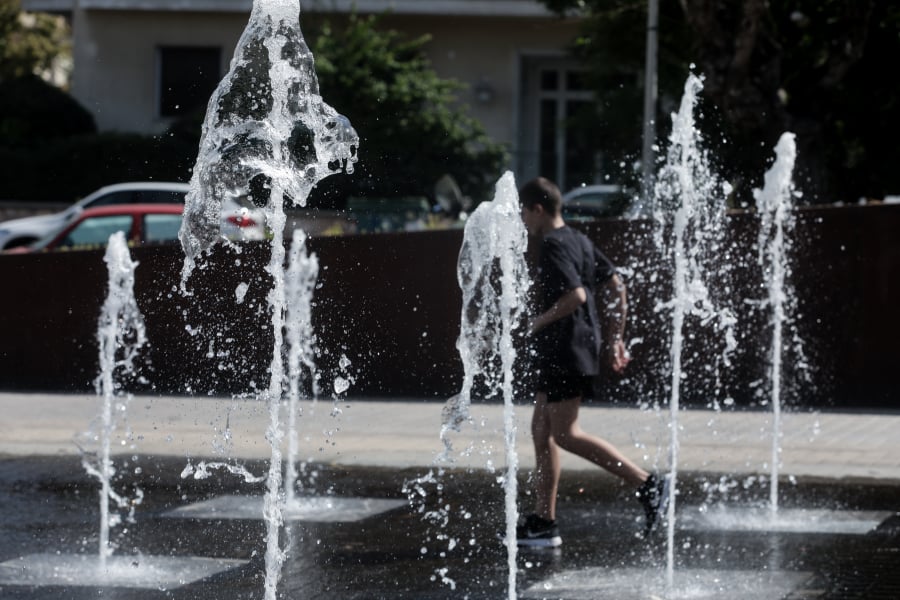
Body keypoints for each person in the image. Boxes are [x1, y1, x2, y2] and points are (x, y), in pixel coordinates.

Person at [516, 177, 669, 548]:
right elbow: (617, 285)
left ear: (537, 208)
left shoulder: (552, 244)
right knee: (541, 429)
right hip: (566, 349)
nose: (522, 220)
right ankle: (543, 520)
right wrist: (615, 337)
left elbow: (577, 296)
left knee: (566, 433)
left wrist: (535, 322)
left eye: (523, 211)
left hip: (566, 349)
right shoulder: (579, 240)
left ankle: (648, 485)